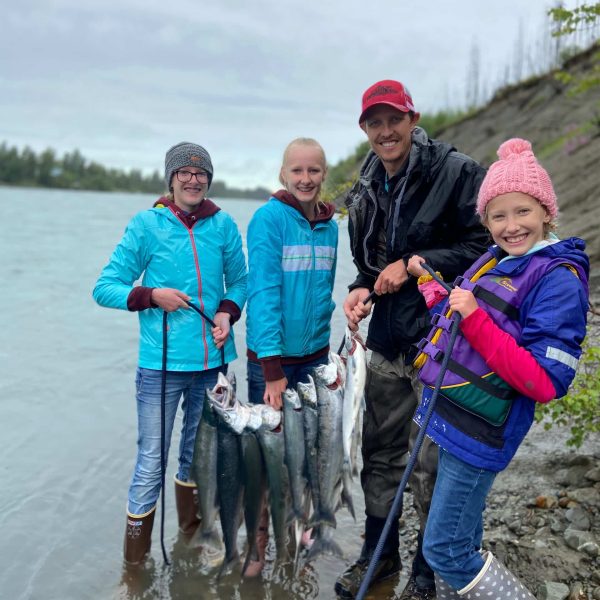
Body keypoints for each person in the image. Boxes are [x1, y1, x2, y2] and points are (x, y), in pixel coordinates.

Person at [409, 138, 589, 598]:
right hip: (450, 421)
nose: (511, 226)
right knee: (462, 540)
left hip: (480, 434)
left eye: (523, 211)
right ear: (485, 221)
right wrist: (436, 292)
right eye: (498, 215)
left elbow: (544, 381)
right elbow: (461, 328)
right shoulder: (498, 260)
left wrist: (472, 316)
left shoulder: (557, 280)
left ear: (547, 212)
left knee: (445, 550)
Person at [337, 80, 489, 600]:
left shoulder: (458, 171)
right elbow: (369, 262)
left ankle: (425, 572)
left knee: (430, 463)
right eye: (374, 123)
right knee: (379, 452)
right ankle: (378, 557)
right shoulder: (364, 185)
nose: (386, 132)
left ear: (412, 118)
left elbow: (487, 248)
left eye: (394, 120)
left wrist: (416, 264)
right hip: (385, 341)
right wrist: (361, 288)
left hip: (442, 343)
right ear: (365, 130)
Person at [93, 142, 247, 564]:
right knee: (150, 463)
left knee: (198, 457)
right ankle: (134, 568)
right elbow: (104, 287)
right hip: (160, 367)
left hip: (213, 365)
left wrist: (226, 314)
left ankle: (190, 543)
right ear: (172, 178)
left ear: (209, 180)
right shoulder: (147, 225)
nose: (193, 179)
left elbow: (239, 282)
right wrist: (150, 294)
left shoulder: (224, 226)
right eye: (185, 172)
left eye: (201, 173)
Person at [245, 137, 338, 576]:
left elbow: (324, 292)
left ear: (324, 174)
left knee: (305, 454)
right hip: (273, 363)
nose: (305, 179)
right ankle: (256, 545)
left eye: (313, 171)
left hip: (315, 359)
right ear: (283, 174)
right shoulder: (268, 220)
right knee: (269, 455)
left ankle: (294, 540)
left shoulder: (331, 226)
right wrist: (271, 369)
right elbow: (262, 293)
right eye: (296, 171)